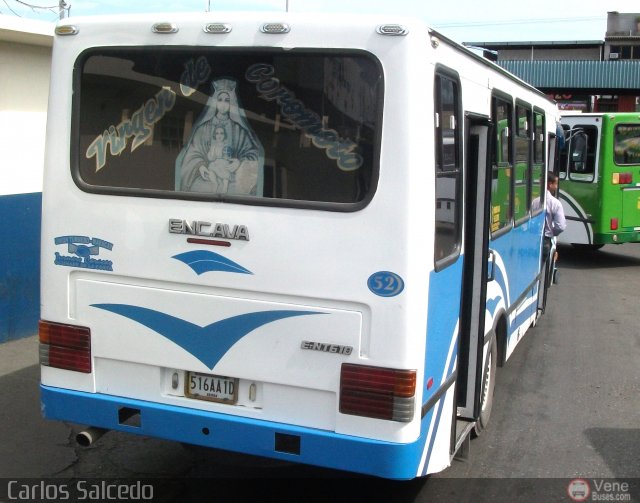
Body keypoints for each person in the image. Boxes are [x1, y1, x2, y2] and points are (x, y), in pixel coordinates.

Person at [175, 78, 264, 196]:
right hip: (208, 177)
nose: (223, 104)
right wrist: (200, 166)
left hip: (233, 179)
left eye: (227, 100)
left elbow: (253, 154)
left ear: (231, 103)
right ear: (215, 102)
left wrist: (239, 163)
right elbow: (192, 153)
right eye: (220, 100)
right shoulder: (204, 128)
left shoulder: (238, 130)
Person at [542, 171, 566, 260]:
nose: (556, 186)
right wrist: (553, 233)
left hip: (535, 239)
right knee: (546, 268)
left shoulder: (535, 201)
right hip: (547, 240)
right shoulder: (556, 203)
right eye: (556, 183)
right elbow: (560, 226)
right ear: (549, 184)